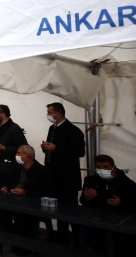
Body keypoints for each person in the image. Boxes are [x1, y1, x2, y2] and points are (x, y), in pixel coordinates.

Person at [80, 154, 136, 254]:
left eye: (105, 167)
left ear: (114, 168)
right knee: (83, 231)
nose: (102, 170)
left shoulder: (130, 185)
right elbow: (83, 202)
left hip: (121, 222)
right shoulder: (90, 181)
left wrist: (121, 203)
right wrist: (87, 198)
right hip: (97, 219)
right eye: (98, 167)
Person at [41, 102, 85, 244]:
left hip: (67, 179)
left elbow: (79, 151)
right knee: (58, 210)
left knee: (70, 210)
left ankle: (78, 242)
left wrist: (56, 149)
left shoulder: (73, 130)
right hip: (53, 176)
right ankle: (62, 238)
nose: (48, 115)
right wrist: (45, 147)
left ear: (58, 114)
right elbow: (52, 148)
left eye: (49, 112)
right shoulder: (52, 128)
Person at [0, 145, 54, 255]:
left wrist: (26, 193)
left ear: (27, 156)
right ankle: (15, 238)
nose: (16, 155)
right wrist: (5, 188)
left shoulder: (43, 171)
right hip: (14, 200)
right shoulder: (16, 168)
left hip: (32, 203)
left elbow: (47, 192)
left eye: (19, 153)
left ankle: (25, 245)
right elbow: (8, 183)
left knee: (20, 214)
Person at [0, 105, 27, 189]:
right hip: (0, 166)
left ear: (3, 114)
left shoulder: (14, 128)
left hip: (11, 167)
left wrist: (5, 148)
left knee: (11, 192)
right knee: (2, 191)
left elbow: (24, 147)